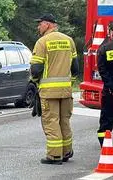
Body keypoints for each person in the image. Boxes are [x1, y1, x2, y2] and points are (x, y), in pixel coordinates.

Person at [30, 14, 79, 165]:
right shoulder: (69, 40)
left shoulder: (42, 42)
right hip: (66, 91)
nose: (38, 27)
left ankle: (54, 155)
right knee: (65, 121)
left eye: (40, 24)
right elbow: (75, 68)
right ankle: (66, 152)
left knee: (51, 122)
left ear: (48, 25)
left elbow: (36, 69)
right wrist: (68, 83)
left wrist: (34, 83)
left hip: (49, 92)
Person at [96, 21, 113, 147]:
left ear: (111, 32)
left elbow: (103, 70)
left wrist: (111, 87)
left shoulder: (104, 49)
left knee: (106, 119)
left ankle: (105, 145)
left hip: (110, 91)